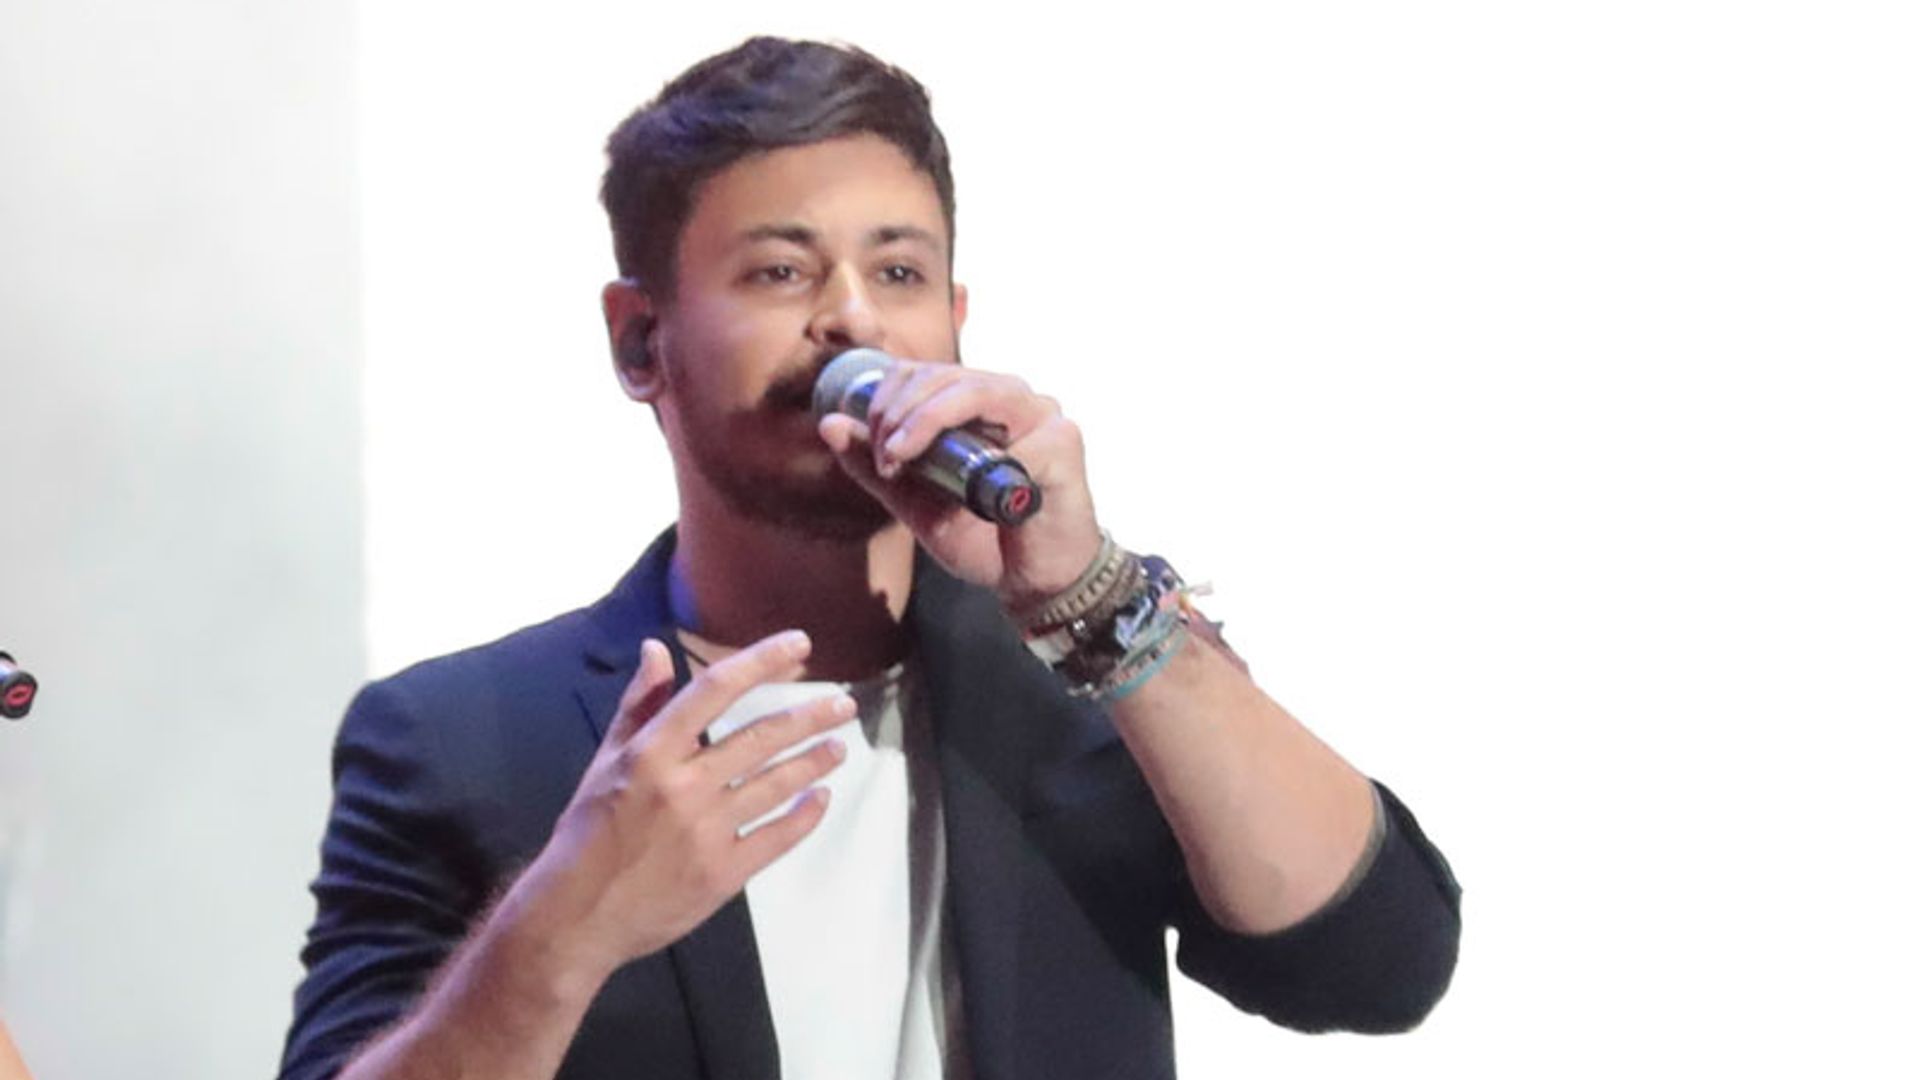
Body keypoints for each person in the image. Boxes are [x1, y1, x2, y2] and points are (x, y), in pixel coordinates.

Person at [279, 36, 1462, 1080]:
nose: (853, 318)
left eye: (898, 273)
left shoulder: (1088, 669)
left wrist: (1087, 594)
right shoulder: (459, 739)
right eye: (780, 271)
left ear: (955, 318)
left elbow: (1380, 967)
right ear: (642, 341)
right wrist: (561, 931)